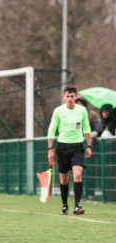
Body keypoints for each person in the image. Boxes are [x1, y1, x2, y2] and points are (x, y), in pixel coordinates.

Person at [47, 85, 92, 215]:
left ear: (76, 97)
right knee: (63, 179)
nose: (70, 99)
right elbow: (51, 129)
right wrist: (50, 148)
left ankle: (77, 205)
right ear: (64, 97)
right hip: (62, 146)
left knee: (77, 174)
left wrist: (88, 146)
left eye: (72, 96)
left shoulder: (82, 111)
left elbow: (86, 128)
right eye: (68, 96)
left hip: (77, 146)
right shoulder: (58, 111)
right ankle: (65, 206)